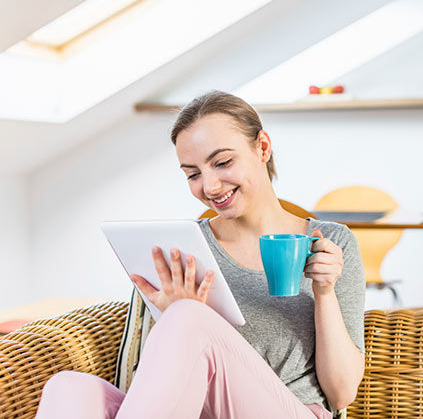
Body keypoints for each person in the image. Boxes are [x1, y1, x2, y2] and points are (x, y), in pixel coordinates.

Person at [36, 91, 366, 419]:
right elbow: (165, 380)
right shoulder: (186, 252)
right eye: (192, 174)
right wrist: (169, 318)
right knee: (68, 387)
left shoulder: (331, 243)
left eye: (222, 163)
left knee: (188, 317)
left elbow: (341, 393)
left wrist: (324, 293)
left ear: (262, 147)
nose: (209, 187)